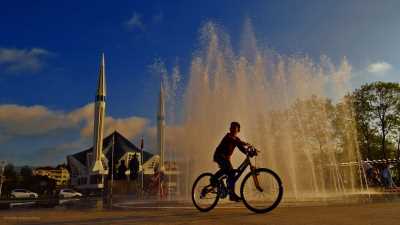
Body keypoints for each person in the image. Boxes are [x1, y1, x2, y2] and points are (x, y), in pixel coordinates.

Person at [213, 121, 250, 202]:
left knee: (230, 173)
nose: (232, 129)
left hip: (226, 159)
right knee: (230, 171)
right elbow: (236, 142)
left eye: (234, 127)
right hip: (219, 156)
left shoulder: (236, 139)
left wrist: (249, 152)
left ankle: (228, 190)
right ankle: (214, 180)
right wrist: (245, 144)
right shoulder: (228, 136)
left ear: (238, 130)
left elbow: (241, 148)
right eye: (231, 127)